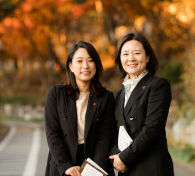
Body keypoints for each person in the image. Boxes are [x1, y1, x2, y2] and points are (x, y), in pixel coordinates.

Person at [45, 41, 116, 176]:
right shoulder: (56, 94)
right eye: (79, 61)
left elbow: (104, 136)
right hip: (63, 163)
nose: (85, 66)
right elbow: (52, 133)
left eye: (90, 60)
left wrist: (94, 170)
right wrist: (66, 166)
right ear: (71, 66)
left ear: (96, 65)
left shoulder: (106, 98)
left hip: (95, 161)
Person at [109, 32, 174, 176]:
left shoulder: (158, 86)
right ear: (120, 59)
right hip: (126, 169)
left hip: (151, 167)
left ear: (148, 57)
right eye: (125, 54)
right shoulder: (120, 93)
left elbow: (152, 128)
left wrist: (125, 158)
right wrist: (116, 157)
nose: (131, 58)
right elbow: (116, 129)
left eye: (137, 53)